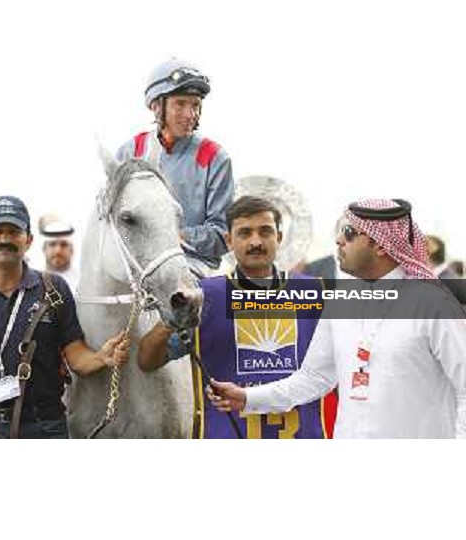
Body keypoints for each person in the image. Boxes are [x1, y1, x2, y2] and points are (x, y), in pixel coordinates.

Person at [209, 198, 466, 439]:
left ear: (380, 244)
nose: (339, 240)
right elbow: (314, 378)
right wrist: (247, 398)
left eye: (350, 233)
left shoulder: (434, 306)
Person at [137, 196, 331, 439]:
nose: (256, 241)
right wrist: (168, 322)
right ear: (229, 240)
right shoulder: (204, 297)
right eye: (245, 233)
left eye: (265, 231)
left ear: (279, 238)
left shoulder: (316, 293)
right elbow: (147, 361)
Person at [0, 195, 129, 439]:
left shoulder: (54, 288)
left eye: (14, 231)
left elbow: (76, 356)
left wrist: (102, 357)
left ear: (28, 240)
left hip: (47, 426)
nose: (5, 239)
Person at [116, 57, 234, 274]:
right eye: (180, 104)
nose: (190, 114)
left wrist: (176, 237)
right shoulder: (128, 153)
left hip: (194, 267)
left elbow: (223, 233)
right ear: (155, 106)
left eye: (196, 105)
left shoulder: (215, 157)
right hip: (136, 267)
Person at [38, 213, 79, 291]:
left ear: (72, 250)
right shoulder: (32, 281)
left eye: (64, 245)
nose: (58, 251)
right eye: (52, 244)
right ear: (44, 249)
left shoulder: (82, 283)